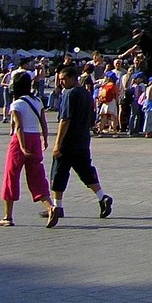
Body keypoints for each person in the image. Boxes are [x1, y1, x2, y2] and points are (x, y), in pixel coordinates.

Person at [49, 63, 113, 224]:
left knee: (58, 173)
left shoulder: (70, 94)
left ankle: (57, 207)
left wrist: (57, 144)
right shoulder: (86, 93)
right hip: (83, 140)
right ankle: (102, 197)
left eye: (63, 79)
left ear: (72, 78)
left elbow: (65, 120)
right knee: (85, 171)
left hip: (68, 141)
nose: (61, 82)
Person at [0, 71, 60, 227]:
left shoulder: (16, 104)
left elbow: (18, 126)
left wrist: (23, 146)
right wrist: (45, 139)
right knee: (37, 175)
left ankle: (7, 217)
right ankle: (50, 207)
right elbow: (44, 122)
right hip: (35, 138)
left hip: (20, 141)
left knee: (11, 176)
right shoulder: (37, 101)